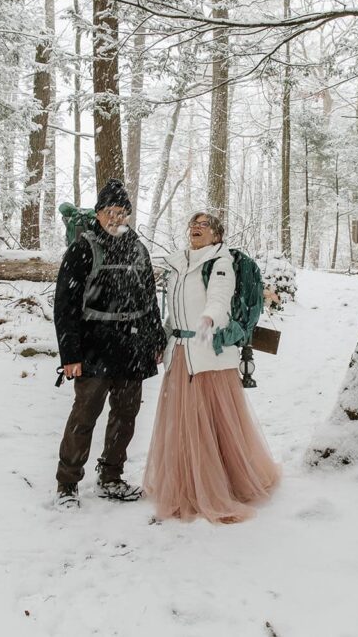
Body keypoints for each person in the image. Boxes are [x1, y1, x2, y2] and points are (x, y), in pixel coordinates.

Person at [143, 211, 281, 523]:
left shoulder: (221, 263)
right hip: (179, 355)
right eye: (193, 223)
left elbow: (219, 300)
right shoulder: (177, 264)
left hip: (209, 356)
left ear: (216, 235)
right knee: (182, 426)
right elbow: (174, 311)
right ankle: (185, 484)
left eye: (204, 225)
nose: (196, 228)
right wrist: (164, 337)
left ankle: (218, 486)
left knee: (210, 426)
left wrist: (209, 320)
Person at [53, 179, 166, 509]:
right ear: (99, 214)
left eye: (121, 212)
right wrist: (70, 354)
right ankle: (67, 483)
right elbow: (66, 304)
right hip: (94, 347)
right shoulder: (83, 248)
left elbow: (149, 299)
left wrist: (155, 338)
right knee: (84, 416)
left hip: (132, 348)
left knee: (125, 416)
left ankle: (111, 477)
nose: (115, 218)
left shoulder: (138, 249)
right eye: (109, 212)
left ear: (129, 215)